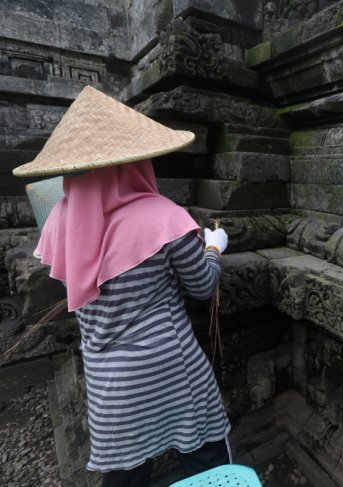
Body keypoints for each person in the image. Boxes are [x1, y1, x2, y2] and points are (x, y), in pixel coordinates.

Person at [14, 86, 232, 486]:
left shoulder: (60, 221)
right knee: (207, 458)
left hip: (108, 383)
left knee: (126, 474)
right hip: (171, 370)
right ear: (135, 161)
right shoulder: (165, 217)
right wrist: (215, 248)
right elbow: (202, 285)